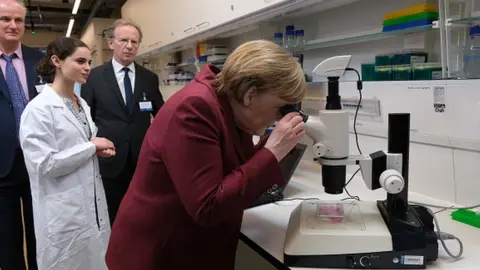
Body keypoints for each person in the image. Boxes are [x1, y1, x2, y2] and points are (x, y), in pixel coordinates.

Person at [106, 40, 307, 269]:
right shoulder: (194, 108)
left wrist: (275, 148)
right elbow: (208, 207)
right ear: (250, 94)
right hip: (158, 255)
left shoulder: (228, 104)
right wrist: (273, 150)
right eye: (281, 108)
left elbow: (235, 167)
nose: (279, 117)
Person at [19, 37, 115, 270]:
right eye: (80, 61)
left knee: (97, 260)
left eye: (90, 62)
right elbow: (44, 165)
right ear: (57, 61)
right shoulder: (39, 109)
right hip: (61, 213)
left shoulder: (81, 102)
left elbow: (79, 144)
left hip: (90, 204)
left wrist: (96, 151)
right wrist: (91, 147)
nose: (87, 67)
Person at [81, 18, 164, 224]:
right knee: (113, 218)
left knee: (143, 216)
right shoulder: (94, 77)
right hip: (109, 160)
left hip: (142, 161)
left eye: (134, 42)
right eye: (123, 40)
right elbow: (85, 120)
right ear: (111, 43)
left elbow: (162, 116)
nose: (129, 46)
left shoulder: (149, 78)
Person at [0, 1, 44, 269]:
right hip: (1, 165)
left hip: (39, 161)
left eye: (18, 20)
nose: (13, 25)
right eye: (5, 19)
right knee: (6, 238)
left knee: (41, 231)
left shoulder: (40, 60)